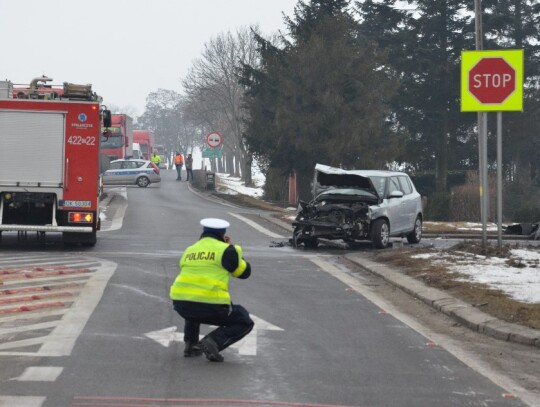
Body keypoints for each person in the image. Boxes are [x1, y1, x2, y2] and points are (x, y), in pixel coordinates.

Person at [169, 218, 254, 362]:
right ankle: (214, 341)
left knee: (194, 305)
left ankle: (191, 345)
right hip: (212, 306)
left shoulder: (190, 249)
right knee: (244, 321)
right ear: (223, 234)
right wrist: (231, 250)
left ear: (204, 232)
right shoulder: (227, 250)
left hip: (181, 304)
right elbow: (244, 273)